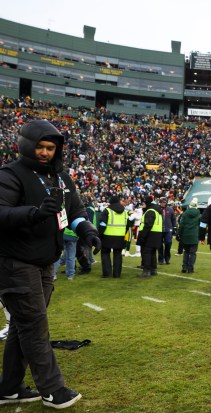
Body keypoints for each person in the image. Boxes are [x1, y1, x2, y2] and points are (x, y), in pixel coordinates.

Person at [0, 119, 101, 408]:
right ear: (26, 145)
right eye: (41, 147)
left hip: (44, 262)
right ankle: (52, 389)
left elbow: (75, 209)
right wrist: (33, 213)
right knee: (34, 326)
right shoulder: (10, 175)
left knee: (22, 326)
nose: (45, 153)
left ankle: (8, 388)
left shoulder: (60, 176)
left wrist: (87, 230)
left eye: (51, 148)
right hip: (15, 262)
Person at [98, 195, 130, 278]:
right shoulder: (125, 211)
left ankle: (107, 273)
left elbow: (102, 224)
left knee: (105, 253)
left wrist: (99, 234)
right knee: (118, 254)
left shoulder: (107, 210)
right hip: (120, 236)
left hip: (107, 235)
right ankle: (117, 274)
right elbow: (127, 225)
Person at [136, 196, 163, 278]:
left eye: (143, 203)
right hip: (157, 235)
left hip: (150, 235)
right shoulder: (157, 211)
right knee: (152, 253)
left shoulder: (150, 212)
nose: (142, 205)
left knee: (146, 253)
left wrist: (142, 236)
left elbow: (148, 225)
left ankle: (146, 271)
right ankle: (153, 269)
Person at [178, 197, 201, 273]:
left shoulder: (185, 214)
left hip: (185, 235)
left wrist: (179, 234)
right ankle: (190, 268)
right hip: (194, 236)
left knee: (186, 252)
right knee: (193, 253)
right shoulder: (199, 215)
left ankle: (184, 266)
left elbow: (181, 225)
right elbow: (201, 226)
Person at [158, 197, 176, 265]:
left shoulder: (170, 209)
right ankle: (160, 259)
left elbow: (173, 219)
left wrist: (174, 227)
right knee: (159, 245)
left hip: (168, 229)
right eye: (162, 202)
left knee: (168, 243)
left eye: (164, 202)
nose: (163, 203)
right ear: (160, 202)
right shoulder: (157, 209)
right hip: (159, 229)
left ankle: (167, 258)